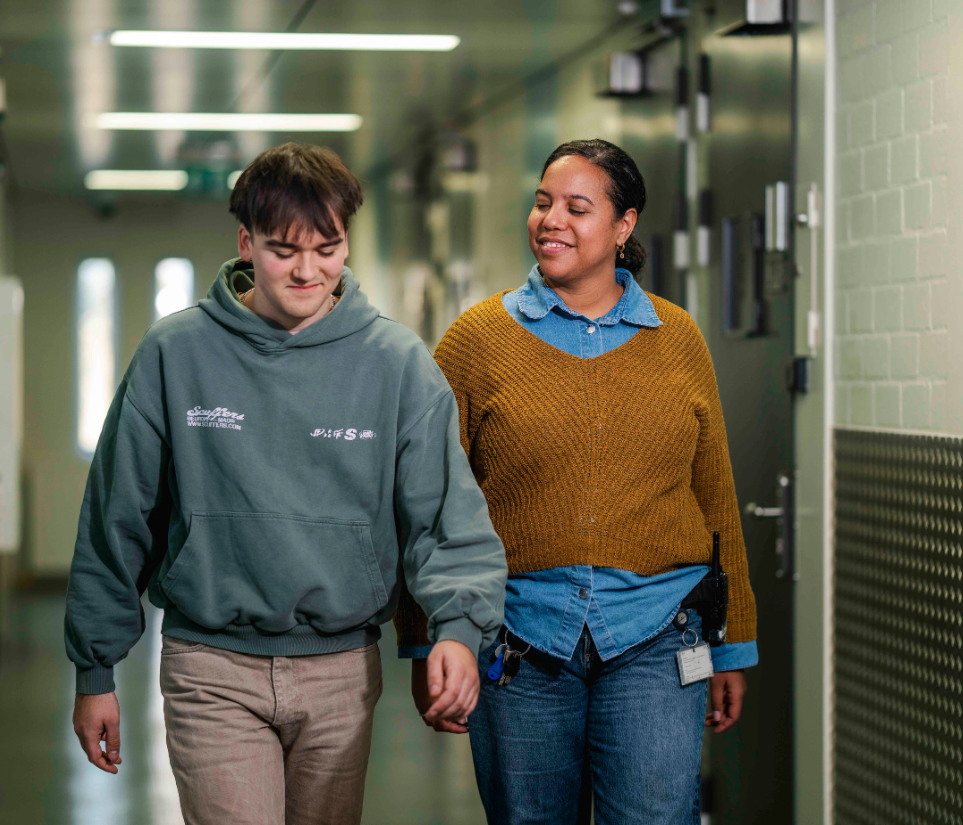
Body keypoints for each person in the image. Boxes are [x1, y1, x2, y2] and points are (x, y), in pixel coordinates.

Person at [65, 142, 507, 825]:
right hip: (210, 666)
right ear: (245, 242)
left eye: (328, 248)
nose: (308, 271)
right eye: (282, 250)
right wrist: (95, 669)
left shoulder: (394, 363)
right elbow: (115, 515)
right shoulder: (175, 353)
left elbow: (444, 513)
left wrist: (459, 626)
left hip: (341, 671)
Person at [395, 138, 757, 825]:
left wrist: (731, 641)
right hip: (517, 638)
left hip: (658, 631)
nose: (550, 219)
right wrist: (426, 638)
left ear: (623, 226)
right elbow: (427, 499)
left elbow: (714, 497)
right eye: (541, 202)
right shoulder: (475, 341)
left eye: (575, 207)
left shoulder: (677, 338)